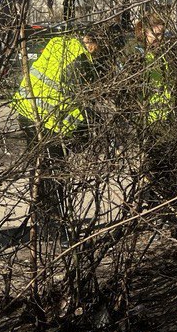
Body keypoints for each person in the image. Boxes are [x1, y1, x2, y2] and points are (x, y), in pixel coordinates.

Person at [10, 26, 107, 232]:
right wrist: (87, 130)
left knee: (41, 169)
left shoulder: (60, 42)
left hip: (27, 110)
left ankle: (44, 217)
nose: (99, 53)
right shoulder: (81, 59)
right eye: (99, 48)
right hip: (46, 119)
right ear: (92, 43)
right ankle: (51, 223)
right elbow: (83, 100)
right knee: (54, 173)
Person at [130, 14, 177, 221]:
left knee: (160, 168)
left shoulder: (161, 54)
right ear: (143, 32)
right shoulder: (136, 55)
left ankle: (162, 209)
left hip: (165, 118)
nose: (160, 38)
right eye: (155, 34)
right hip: (150, 122)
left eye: (162, 34)